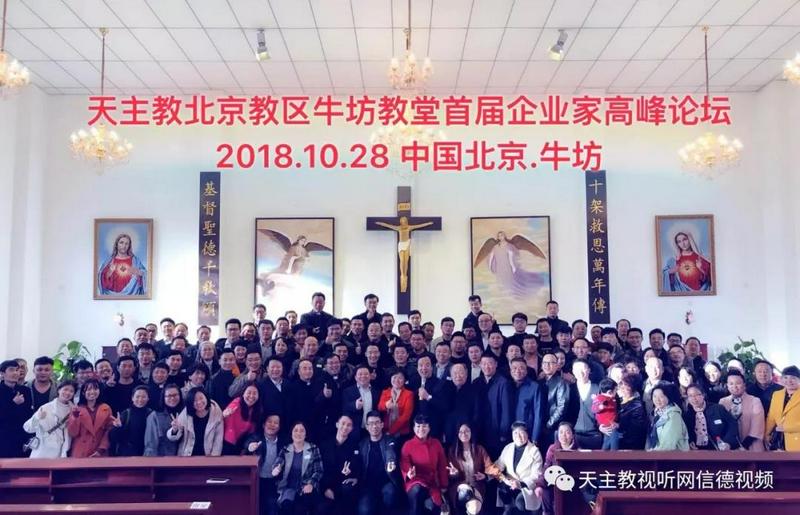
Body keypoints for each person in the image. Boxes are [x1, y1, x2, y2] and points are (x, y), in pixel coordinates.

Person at [489, 422, 543, 515]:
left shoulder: (534, 451)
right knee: (501, 489)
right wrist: (487, 474)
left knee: (520, 502)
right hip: (510, 484)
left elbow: (537, 474)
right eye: (515, 433)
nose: (518, 436)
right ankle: (507, 510)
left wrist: (520, 484)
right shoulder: (508, 447)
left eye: (521, 432)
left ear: (527, 434)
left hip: (526, 487)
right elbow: (498, 465)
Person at [400, 415, 449, 515]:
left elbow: (442, 466)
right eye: (418, 426)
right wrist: (409, 473)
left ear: (429, 428)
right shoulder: (407, 445)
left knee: (436, 508)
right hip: (415, 482)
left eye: (424, 426)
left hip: (433, 484)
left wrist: (444, 485)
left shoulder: (436, 443)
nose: (421, 429)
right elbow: (404, 463)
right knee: (417, 492)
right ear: (413, 428)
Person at [272, 421, 323, 515]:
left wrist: (311, 484)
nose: (298, 433)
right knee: (285, 506)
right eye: (295, 430)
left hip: (306, 487)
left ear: (306, 434)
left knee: (301, 508)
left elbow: (318, 471)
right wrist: (275, 469)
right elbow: (278, 463)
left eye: (302, 431)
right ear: (291, 434)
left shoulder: (313, 448)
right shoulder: (285, 449)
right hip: (289, 488)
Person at [358, 411, 402, 515]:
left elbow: (390, 452)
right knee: (364, 510)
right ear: (367, 426)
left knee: (390, 494)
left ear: (382, 425)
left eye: (377, 422)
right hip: (367, 485)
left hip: (387, 482)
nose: (374, 426)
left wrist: (391, 462)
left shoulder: (390, 440)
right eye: (371, 423)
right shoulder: (362, 444)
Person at [446, 423, 493, 515]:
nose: (464, 434)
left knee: (474, 509)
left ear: (472, 433)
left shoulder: (479, 449)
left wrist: (485, 476)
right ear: (457, 434)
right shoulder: (452, 451)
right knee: (465, 491)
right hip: (459, 487)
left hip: (476, 486)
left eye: (467, 431)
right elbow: (449, 474)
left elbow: (490, 466)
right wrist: (454, 474)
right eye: (461, 432)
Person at [319, 415, 362, 515]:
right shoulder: (324, 445)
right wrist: (325, 488)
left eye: (349, 425)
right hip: (325, 485)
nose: (345, 427)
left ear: (351, 429)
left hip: (342, 487)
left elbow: (358, 468)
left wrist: (352, 475)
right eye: (343, 423)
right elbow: (318, 469)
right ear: (337, 424)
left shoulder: (354, 447)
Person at [23, 380, 76, 458]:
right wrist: (37, 418)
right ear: (59, 390)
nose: (68, 393)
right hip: (43, 450)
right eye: (65, 389)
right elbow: (27, 428)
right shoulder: (46, 407)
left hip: (61, 451)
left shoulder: (74, 410)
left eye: (71, 391)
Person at [535, 422, 580, 515]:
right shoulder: (552, 448)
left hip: (571, 484)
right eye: (561, 432)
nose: (564, 435)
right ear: (557, 434)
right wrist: (539, 485)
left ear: (572, 435)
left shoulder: (578, 450)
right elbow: (546, 469)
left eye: (567, 432)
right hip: (555, 483)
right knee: (545, 491)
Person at [168, 387, 223, 456]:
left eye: (201, 398)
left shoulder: (216, 412)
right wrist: (175, 429)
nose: (199, 402)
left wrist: (214, 459)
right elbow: (173, 437)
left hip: (208, 456)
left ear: (206, 397)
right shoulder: (186, 413)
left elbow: (218, 440)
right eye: (194, 400)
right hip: (187, 456)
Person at [246, 414, 284, 515]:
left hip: (274, 482)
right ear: (263, 424)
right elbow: (247, 444)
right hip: (257, 480)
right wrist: (250, 447)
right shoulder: (256, 437)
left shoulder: (283, 442)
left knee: (272, 508)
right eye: (269, 421)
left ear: (279, 427)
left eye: (276, 423)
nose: (272, 425)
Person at [719, 369, 765, 451]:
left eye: (738, 383)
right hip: (729, 447)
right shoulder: (723, 402)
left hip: (751, 446)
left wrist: (743, 446)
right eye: (731, 384)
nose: (734, 386)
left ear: (744, 385)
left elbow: (757, 427)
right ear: (727, 386)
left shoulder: (754, 401)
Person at [683, 384, 739, 450]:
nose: (694, 398)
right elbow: (686, 434)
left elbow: (732, 425)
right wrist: (690, 442)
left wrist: (728, 442)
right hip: (698, 452)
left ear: (703, 395)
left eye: (696, 395)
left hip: (720, 449)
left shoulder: (717, 409)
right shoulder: (687, 416)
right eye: (690, 396)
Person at [67, 379, 114, 458]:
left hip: (99, 451)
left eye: (95, 389)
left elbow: (108, 431)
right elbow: (73, 433)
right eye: (88, 389)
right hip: (81, 452)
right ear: (83, 393)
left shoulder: (106, 408)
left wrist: (101, 449)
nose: (92, 392)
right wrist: (75, 417)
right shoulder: (77, 409)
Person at [0, 359, 33, 457]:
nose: (15, 373)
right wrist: (13, 403)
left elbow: (28, 414)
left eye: (17, 370)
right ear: (2, 373)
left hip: (21, 435)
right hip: (3, 436)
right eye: (11, 370)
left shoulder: (25, 390)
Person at [765, 365, 800, 451]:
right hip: (779, 440)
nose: (789, 381)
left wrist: (787, 428)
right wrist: (766, 434)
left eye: (793, 378)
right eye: (785, 377)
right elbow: (771, 417)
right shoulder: (777, 395)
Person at [110, 385, 152, 456]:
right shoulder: (126, 413)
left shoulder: (151, 414)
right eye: (137, 396)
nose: (140, 399)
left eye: (143, 397)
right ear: (132, 398)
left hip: (146, 453)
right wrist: (117, 428)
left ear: (148, 398)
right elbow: (114, 438)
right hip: (127, 454)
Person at [223, 383, 263, 455]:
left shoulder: (258, 409)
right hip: (227, 442)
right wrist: (225, 414)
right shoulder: (237, 402)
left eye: (254, 393)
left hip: (242, 443)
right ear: (243, 394)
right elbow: (229, 410)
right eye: (249, 393)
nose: (251, 396)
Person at [646, 384, 689, 451]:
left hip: (672, 457)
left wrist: (651, 455)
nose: (657, 400)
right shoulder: (656, 414)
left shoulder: (673, 415)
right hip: (658, 455)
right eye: (654, 396)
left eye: (661, 396)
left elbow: (668, 444)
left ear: (668, 397)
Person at [540, 352, 570, 449]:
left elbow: (562, 407)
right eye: (545, 363)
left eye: (551, 363)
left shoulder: (561, 382)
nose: (547, 365)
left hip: (553, 427)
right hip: (540, 424)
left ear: (557, 366)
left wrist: (549, 423)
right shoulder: (539, 382)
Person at [144, 384, 182, 456]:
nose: (172, 398)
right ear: (163, 398)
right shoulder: (155, 416)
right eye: (169, 396)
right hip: (162, 459)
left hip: (184, 459)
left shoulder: (185, 413)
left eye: (175, 395)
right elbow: (151, 444)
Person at [378, 369, 414, 440]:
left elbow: (406, 416)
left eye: (400, 378)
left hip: (402, 431)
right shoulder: (385, 392)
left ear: (404, 380)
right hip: (385, 429)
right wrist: (386, 405)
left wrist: (391, 431)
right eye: (394, 377)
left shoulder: (409, 394)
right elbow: (379, 407)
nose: (397, 380)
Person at [616, 373, 647, 450]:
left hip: (629, 446)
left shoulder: (637, 406)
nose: (622, 389)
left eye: (627, 386)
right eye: (621, 385)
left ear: (633, 388)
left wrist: (618, 428)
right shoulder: (618, 401)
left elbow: (636, 431)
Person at [592, 378, 619, 450]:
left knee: (607, 441)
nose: (617, 392)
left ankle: (605, 455)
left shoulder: (612, 399)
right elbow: (594, 409)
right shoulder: (600, 399)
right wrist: (600, 407)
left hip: (612, 424)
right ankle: (613, 456)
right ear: (610, 392)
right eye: (616, 390)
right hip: (608, 425)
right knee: (614, 443)